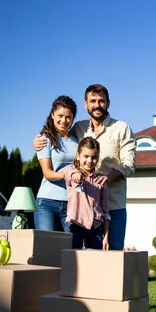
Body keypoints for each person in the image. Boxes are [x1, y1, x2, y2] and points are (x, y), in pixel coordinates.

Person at [34, 84, 136, 250]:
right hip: (82, 205)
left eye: (101, 101)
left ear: (108, 103)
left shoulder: (121, 128)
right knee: (72, 252)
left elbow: (129, 164)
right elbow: (58, 132)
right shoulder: (79, 129)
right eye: (93, 101)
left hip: (112, 205)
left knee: (113, 255)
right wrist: (37, 140)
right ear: (86, 104)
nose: (97, 105)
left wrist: (107, 178)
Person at [33, 95, 79, 233]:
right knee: (47, 246)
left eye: (68, 117)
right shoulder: (44, 139)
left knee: (70, 248)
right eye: (60, 115)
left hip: (71, 203)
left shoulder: (77, 141)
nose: (63, 120)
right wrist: (67, 174)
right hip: (47, 203)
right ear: (52, 115)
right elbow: (47, 173)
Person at [62, 137, 110, 250]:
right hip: (75, 224)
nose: (89, 161)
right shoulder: (72, 172)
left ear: (98, 158)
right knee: (73, 260)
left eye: (94, 157)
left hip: (96, 227)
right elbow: (69, 174)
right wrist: (75, 174)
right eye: (86, 156)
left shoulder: (100, 181)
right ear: (78, 156)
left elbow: (106, 211)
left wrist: (106, 236)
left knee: (94, 261)